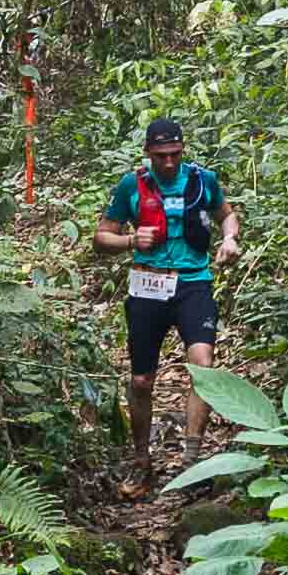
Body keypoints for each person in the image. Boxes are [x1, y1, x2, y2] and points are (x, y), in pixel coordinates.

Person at [90, 114, 238, 481]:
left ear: (182, 150)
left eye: (174, 154)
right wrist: (129, 241)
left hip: (193, 283)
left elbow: (226, 215)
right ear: (148, 153)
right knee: (141, 381)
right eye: (161, 156)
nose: (168, 162)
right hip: (148, 285)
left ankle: (191, 459)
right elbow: (100, 238)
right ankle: (141, 460)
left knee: (203, 366)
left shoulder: (204, 181)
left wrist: (230, 238)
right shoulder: (131, 186)